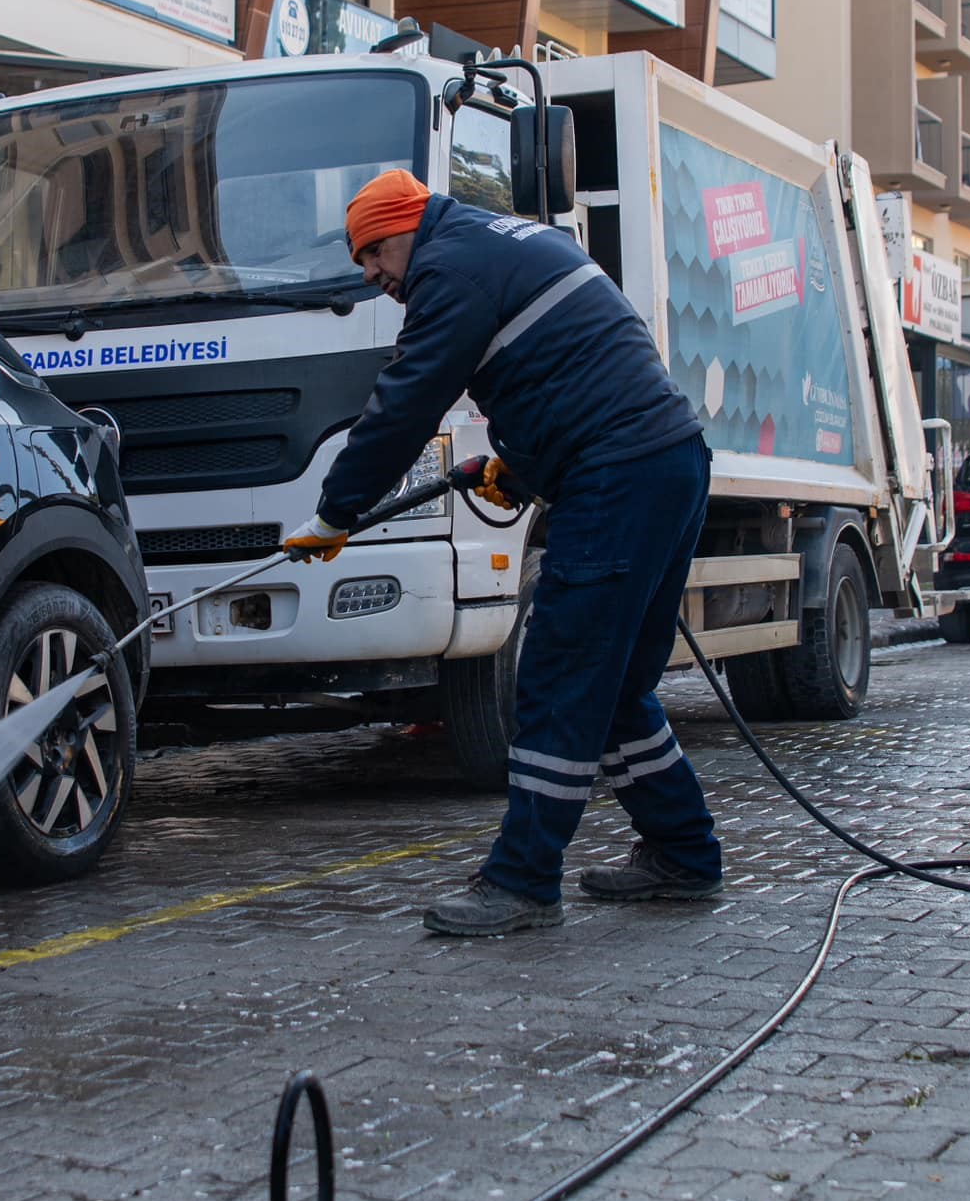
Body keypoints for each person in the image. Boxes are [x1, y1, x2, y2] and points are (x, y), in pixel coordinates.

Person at [284, 170, 722, 936]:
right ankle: (684, 854)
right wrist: (516, 466)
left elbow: (406, 402)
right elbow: (575, 368)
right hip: (666, 462)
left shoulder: (446, 271)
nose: (372, 275)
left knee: (554, 677)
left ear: (404, 226)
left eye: (374, 253)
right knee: (614, 688)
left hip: (616, 479)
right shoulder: (504, 241)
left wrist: (335, 513)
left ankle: (522, 881)